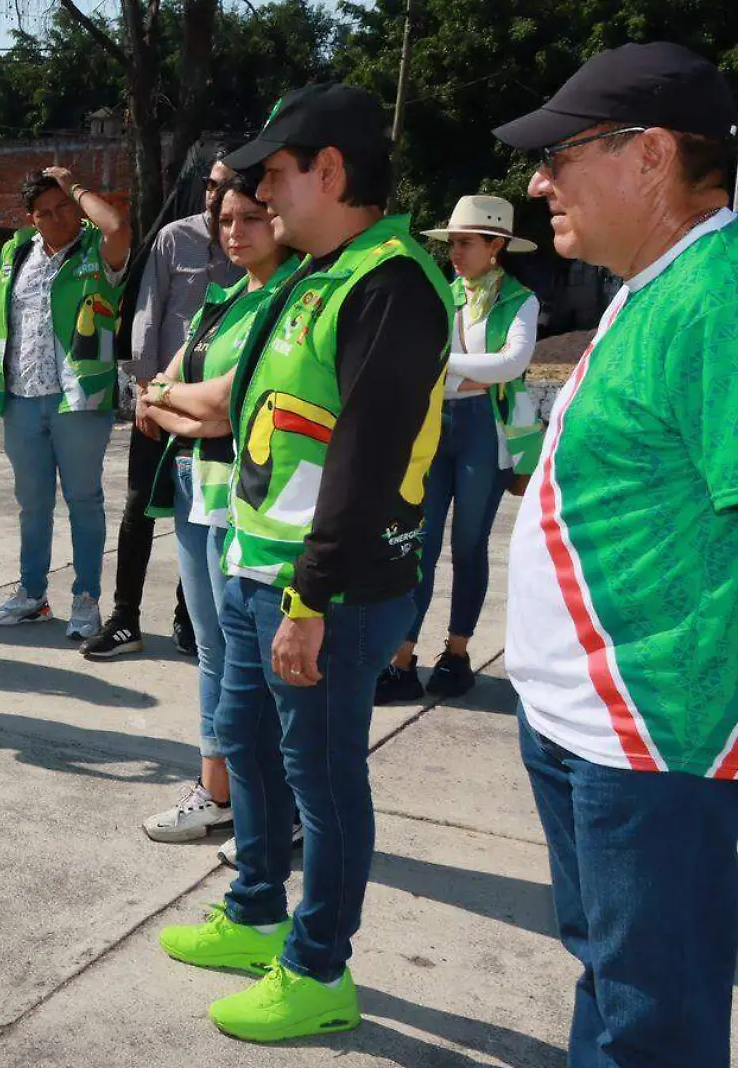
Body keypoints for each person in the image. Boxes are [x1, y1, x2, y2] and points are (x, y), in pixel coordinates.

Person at [155, 85, 451, 1043]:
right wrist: (167, 398)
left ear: (331, 170)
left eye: (275, 174)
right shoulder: (313, 273)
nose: (260, 193)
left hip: (328, 590)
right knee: (248, 748)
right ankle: (254, 914)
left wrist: (310, 597)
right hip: (257, 568)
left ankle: (320, 970)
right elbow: (242, 402)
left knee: (324, 786)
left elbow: (365, 460)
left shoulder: (392, 282)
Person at [495, 42, 738, 1067]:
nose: (538, 178)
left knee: (654, 1021)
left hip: (655, 745)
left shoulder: (717, 300)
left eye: (560, 152)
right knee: (614, 982)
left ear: (647, 157)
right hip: (586, 729)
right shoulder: (654, 283)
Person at [135, 170, 297, 843]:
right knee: (213, 652)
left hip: (248, 503)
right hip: (199, 494)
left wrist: (172, 405)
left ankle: (275, 807)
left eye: (251, 218)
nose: (235, 232)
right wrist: (175, 405)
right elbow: (167, 388)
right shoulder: (223, 301)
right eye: (226, 221)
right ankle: (218, 792)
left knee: (254, 661)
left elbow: (225, 406)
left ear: (280, 220)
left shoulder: (286, 302)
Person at [377, 195, 541, 704]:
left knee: (469, 546)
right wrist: (467, 373)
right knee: (416, 544)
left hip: (483, 433)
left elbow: (513, 363)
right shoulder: (442, 294)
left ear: (497, 246)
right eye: (452, 242)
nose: (455, 252)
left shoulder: (521, 300)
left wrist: (448, 371)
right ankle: (401, 658)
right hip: (435, 428)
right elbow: (419, 355)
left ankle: (457, 652)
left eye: (466, 243)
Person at [82, 159, 244, 658]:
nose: (217, 196)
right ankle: (125, 617)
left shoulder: (254, 243)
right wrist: (142, 396)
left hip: (214, 413)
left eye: (227, 185)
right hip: (160, 401)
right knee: (139, 508)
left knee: (203, 513)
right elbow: (147, 315)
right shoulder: (175, 238)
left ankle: (189, 620)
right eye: (212, 185)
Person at [0, 167, 131, 640]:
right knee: (32, 504)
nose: (56, 217)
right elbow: (1, 317)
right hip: (22, 399)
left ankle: (86, 600)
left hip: (80, 398)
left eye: (62, 206)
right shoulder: (16, 252)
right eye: (43, 212)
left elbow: (118, 228)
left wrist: (77, 186)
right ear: (32, 219)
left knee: (84, 500)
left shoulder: (96, 252)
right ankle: (32, 595)